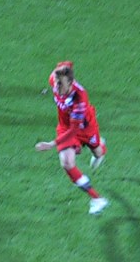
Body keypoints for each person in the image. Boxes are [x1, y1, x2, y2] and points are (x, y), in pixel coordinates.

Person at [35, 60, 110, 215]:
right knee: (67, 163)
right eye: (56, 83)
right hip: (65, 127)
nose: (57, 88)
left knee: (98, 153)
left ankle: (100, 148)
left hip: (85, 127)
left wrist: (51, 144)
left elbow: (74, 130)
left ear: (71, 83)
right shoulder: (55, 80)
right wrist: (65, 65)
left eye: (61, 85)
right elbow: (63, 66)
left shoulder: (80, 98)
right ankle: (97, 199)